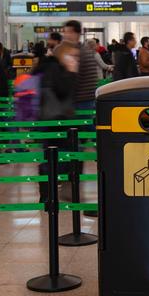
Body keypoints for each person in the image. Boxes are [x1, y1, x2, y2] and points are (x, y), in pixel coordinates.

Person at [38, 43, 79, 203]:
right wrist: (71, 72)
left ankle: (49, 193)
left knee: (54, 157)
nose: (75, 59)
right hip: (56, 120)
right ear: (63, 55)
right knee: (55, 158)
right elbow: (62, 91)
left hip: (56, 119)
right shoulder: (56, 70)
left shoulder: (52, 68)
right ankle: (48, 194)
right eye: (72, 56)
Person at [63, 20, 99, 119]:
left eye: (69, 32)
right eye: (65, 32)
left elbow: (72, 79)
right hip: (87, 99)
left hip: (79, 101)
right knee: (87, 129)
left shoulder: (76, 52)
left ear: (77, 34)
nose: (66, 35)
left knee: (81, 130)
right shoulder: (85, 49)